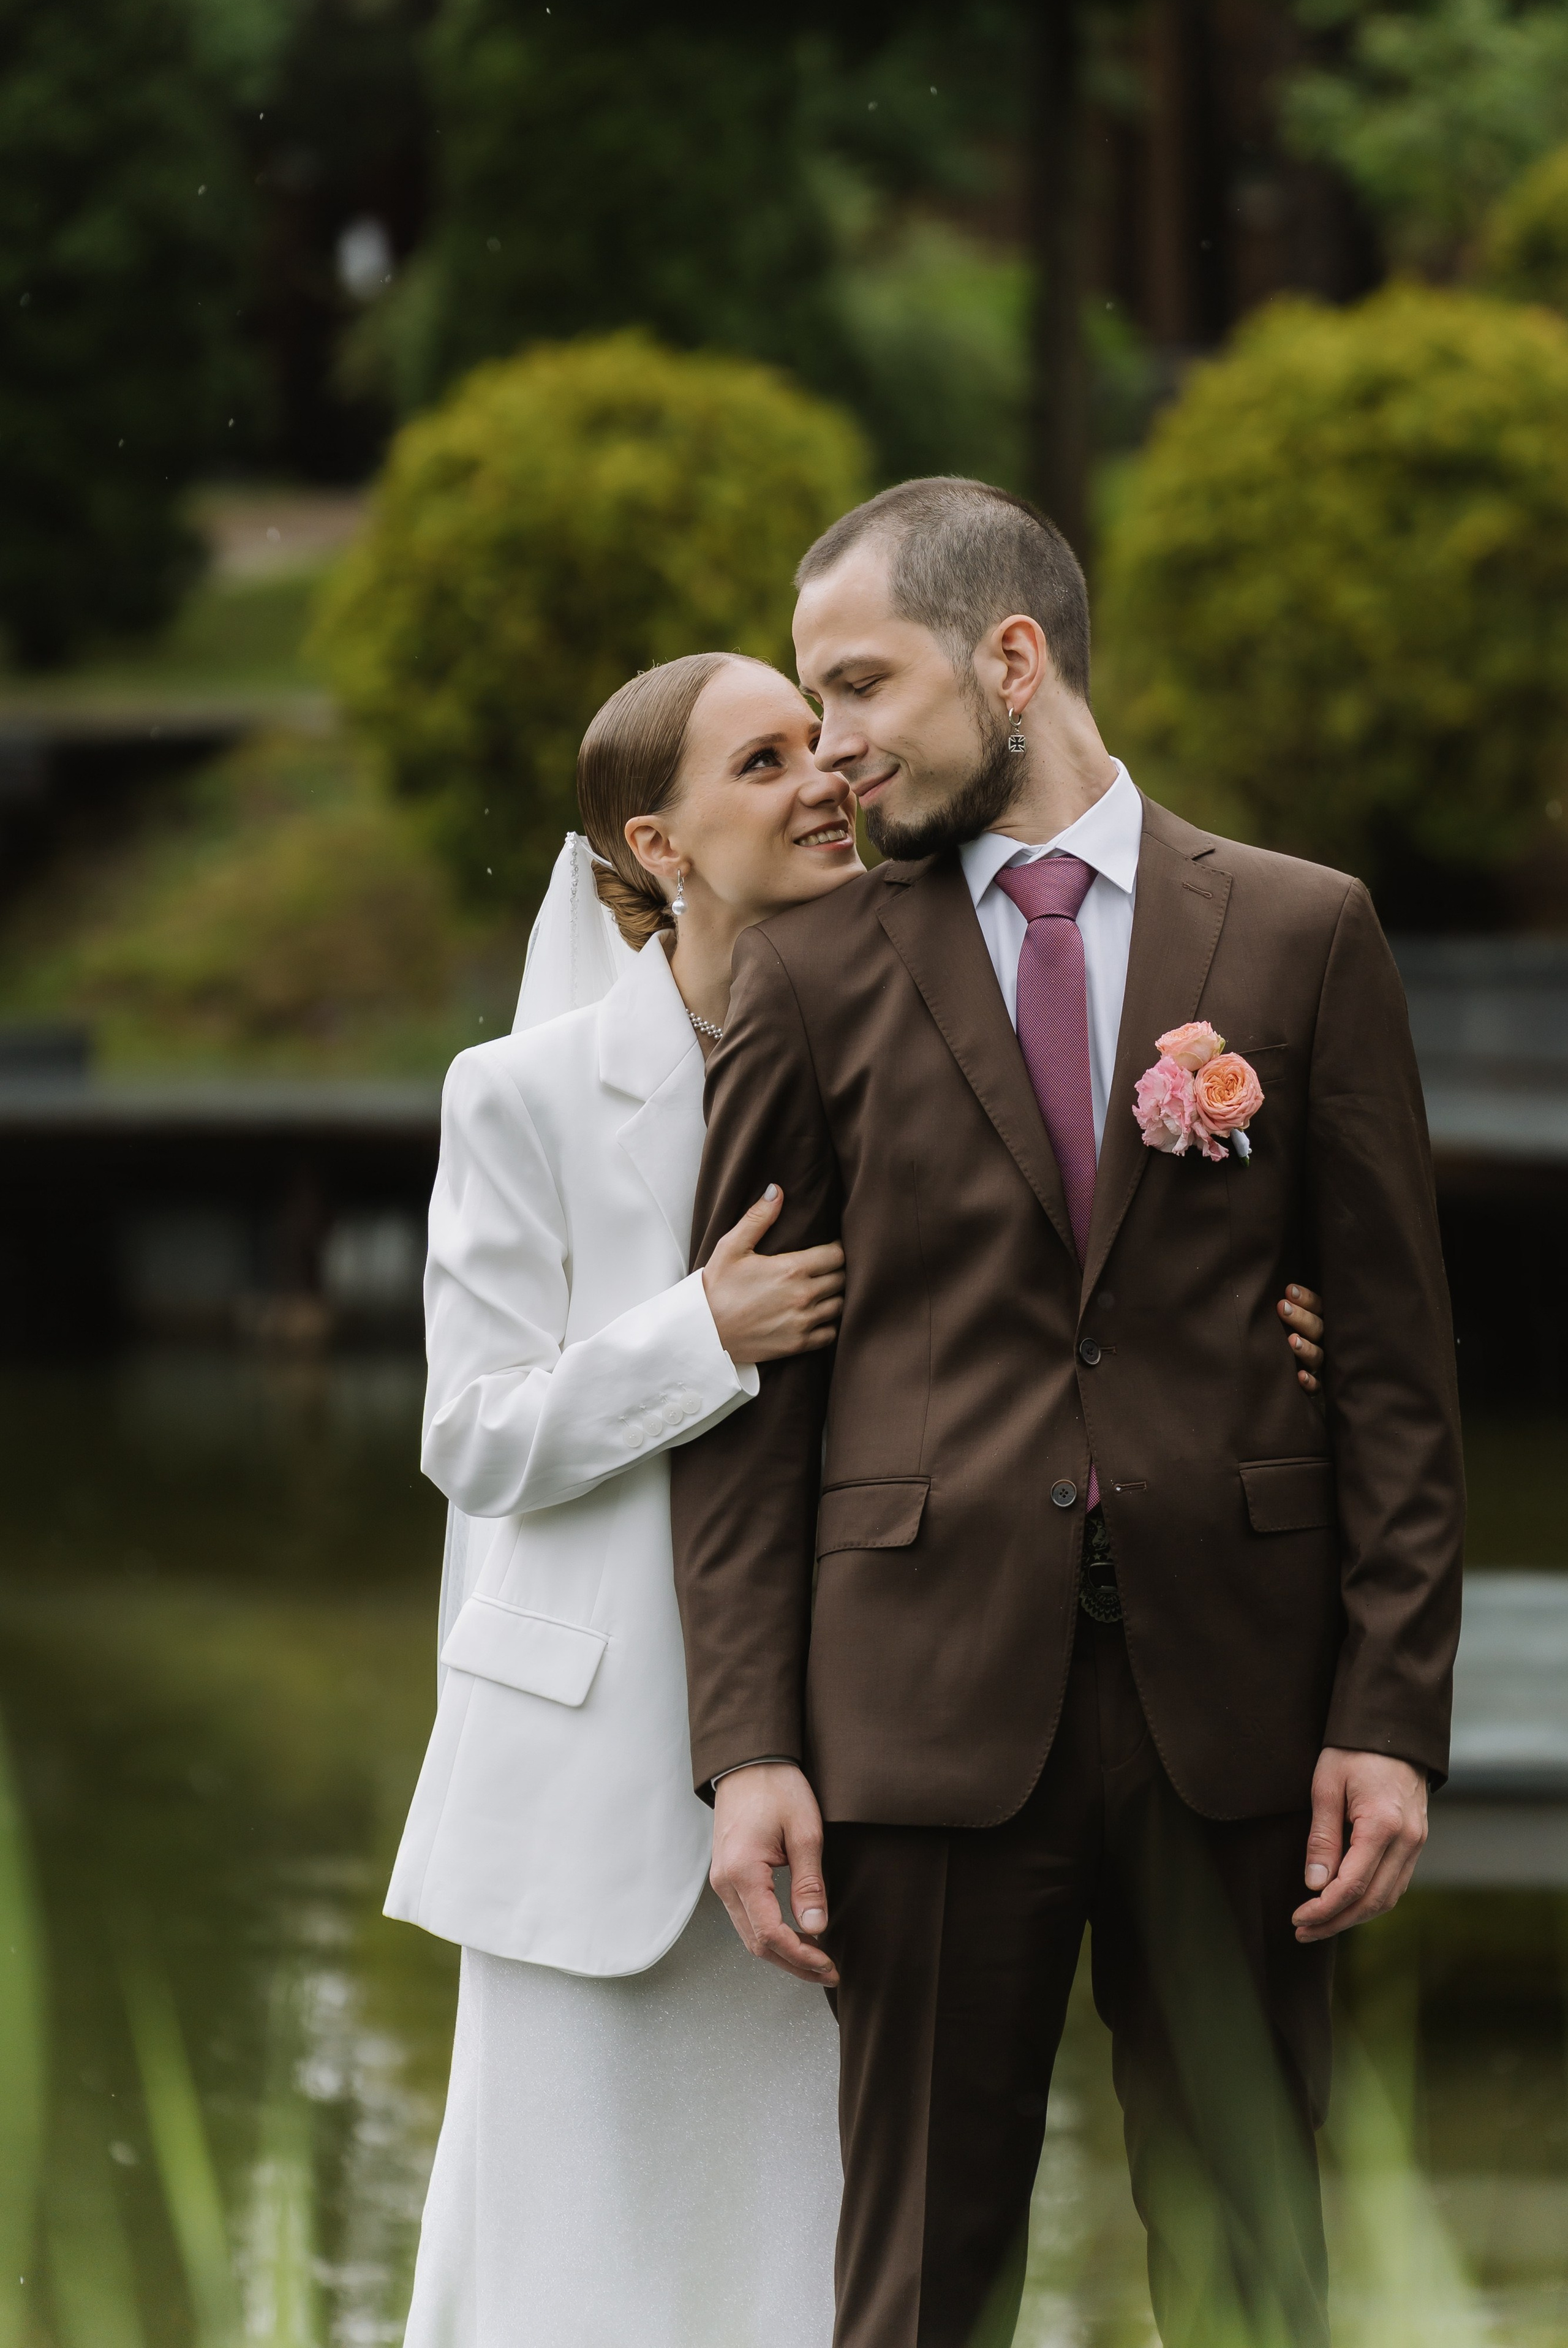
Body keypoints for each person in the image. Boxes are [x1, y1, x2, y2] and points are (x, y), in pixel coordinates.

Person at [387, 643, 1327, 2347]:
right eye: (761, 765)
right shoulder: (515, 1096)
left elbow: (1043, 1292)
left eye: (817, 744)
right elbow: (473, 1437)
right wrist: (703, 1333)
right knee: (570, 2260)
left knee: (806, 2270)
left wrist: (1242, 1333)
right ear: (657, 845)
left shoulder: (907, 1004)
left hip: (862, 1746)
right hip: (596, 1772)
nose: (823, 776)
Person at [669, 480, 1463, 2348]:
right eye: (809, 697)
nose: (832, 747)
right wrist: (752, 1748)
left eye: (861, 686)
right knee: (923, 2285)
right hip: (921, 1719)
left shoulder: (1301, 932)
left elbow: (1404, 1378)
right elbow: (748, 1408)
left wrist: (1388, 1713)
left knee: (1256, 2273)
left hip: (1244, 1718)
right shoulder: (810, 973)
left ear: (1011, 660)